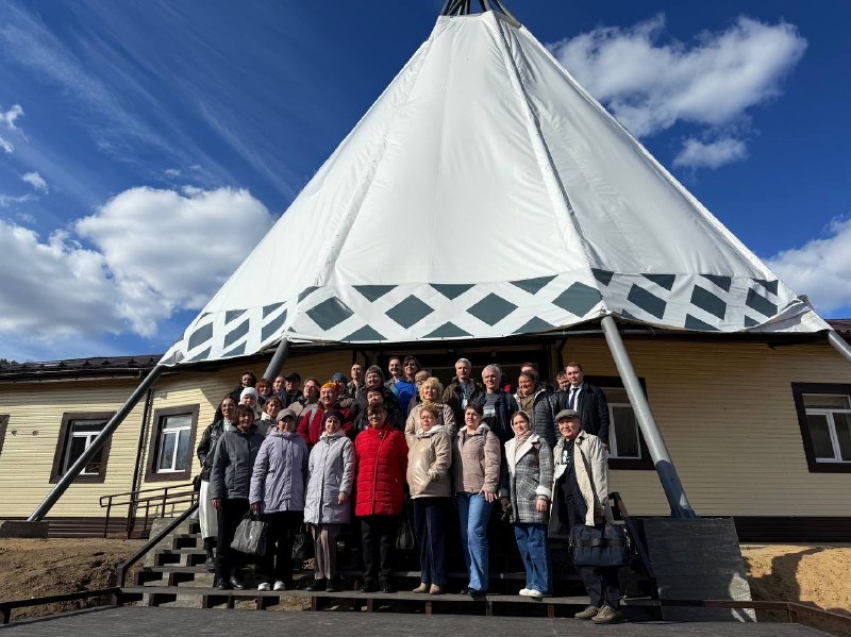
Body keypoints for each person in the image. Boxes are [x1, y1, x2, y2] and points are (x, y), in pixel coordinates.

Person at [550, 409, 624, 624]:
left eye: (569, 422)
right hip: (569, 505)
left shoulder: (591, 441)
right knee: (582, 554)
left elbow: (600, 473)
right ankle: (595, 601)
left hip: (589, 504)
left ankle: (612, 605)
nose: (565, 426)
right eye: (562, 423)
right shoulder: (559, 446)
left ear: (578, 422)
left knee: (601, 550)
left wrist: (600, 503)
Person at [249, 408, 308, 591]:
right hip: (270, 501)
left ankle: (282, 578)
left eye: (290, 420)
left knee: (286, 543)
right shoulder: (269, 442)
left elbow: (306, 472)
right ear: (278, 422)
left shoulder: (301, 443)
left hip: (293, 502)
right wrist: (255, 496)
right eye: (284, 420)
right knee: (265, 541)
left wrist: (305, 498)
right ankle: (263, 578)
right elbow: (258, 471)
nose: (287, 423)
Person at [354, 402, 408, 593]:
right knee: (367, 542)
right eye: (371, 414)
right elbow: (355, 467)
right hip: (366, 497)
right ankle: (369, 579)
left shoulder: (396, 436)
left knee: (386, 541)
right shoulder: (360, 438)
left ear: (386, 414)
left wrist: (402, 488)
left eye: (379, 413)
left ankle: (386, 579)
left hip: (389, 496)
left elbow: (403, 464)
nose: (375, 417)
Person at [209, 404, 264, 590]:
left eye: (249, 416)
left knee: (241, 541)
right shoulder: (226, 438)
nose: (246, 419)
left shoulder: (259, 440)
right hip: (229, 495)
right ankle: (221, 577)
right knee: (225, 539)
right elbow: (216, 468)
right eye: (242, 416)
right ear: (236, 418)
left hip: (249, 498)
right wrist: (216, 493)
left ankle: (235, 575)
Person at [500, 410, 553, 598]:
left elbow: (547, 471)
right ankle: (531, 582)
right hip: (515, 503)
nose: (519, 426)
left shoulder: (539, 443)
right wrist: (504, 495)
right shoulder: (509, 445)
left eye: (522, 422)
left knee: (537, 543)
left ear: (529, 423)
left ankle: (542, 585)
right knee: (523, 545)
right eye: (515, 423)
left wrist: (542, 496)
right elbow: (505, 474)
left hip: (532, 499)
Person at [303, 410, 355, 592]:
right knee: (316, 539)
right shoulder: (317, 446)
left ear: (340, 424)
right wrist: (308, 495)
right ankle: (319, 576)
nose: (331, 424)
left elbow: (348, 469)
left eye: (335, 421)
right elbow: (310, 473)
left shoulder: (345, 443)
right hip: (314, 499)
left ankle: (332, 576)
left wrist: (344, 491)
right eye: (329, 421)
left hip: (332, 497)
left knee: (327, 537)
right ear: (324, 424)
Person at [453, 403, 501, 596]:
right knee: (466, 537)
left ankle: (479, 584)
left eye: (474, 414)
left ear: (480, 417)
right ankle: (473, 579)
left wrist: (490, 485)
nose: (470, 416)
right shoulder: (458, 437)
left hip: (481, 492)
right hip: (461, 492)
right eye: (467, 414)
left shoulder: (487, 436)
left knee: (475, 533)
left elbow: (493, 463)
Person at [405, 404, 452, 595]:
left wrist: (428, 478)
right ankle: (425, 578)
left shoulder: (440, 435)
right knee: (422, 538)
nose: (425, 420)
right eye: (422, 417)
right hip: (417, 494)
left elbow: (443, 460)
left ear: (436, 420)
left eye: (429, 417)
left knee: (435, 539)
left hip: (434, 493)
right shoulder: (416, 439)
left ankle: (438, 579)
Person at [196, 395, 237, 571]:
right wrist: (207, 462)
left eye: (231, 405)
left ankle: (225, 553)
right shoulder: (213, 428)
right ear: (221, 409)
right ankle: (208, 553)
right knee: (207, 513)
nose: (227, 408)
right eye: (225, 405)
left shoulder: (238, 428)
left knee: (224, 515)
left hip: (230, 477)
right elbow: (201, 450)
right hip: (209, 475)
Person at [558, 362, 610, 446]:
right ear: (567, 376)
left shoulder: (594, 392)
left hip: (591, 440)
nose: (573, 376)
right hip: (570, 440)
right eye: (569, 373)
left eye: (576, 372)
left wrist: (603, 440)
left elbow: (604, 418)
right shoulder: (563, 396)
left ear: (582, 373)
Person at [472, 364, 518, 443]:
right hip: (483, 443)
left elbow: (517, 421)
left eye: (493, 376)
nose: (490, 379)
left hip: (505, 444)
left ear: (499, 379)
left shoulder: (509, 399)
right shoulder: (477, 401)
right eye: (486, 377)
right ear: (483, 380)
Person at [297, 382, 352, 447]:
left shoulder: (345, 413)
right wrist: (310, 445)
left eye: (329, 392)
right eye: (323, 393)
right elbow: (300, 430)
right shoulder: (312, 413)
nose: (326, 395)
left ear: (337, 395)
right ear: (320, 396)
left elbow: (346, 431)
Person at [514, 370, 558, 447]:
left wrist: (559, 442)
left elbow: (554, 420)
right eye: (521, 382)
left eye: (527, 381)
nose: (523, 384)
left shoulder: (545, 397)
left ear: (534, 382)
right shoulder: (514, 400)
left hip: (544, 443)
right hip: (522, 445)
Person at [353, 366, 402, 431]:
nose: (372, 379)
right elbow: (353, 412)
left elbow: (396, 412)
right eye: (369, 377)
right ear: (366, 380)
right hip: (364, 428)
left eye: (375, 376)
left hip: (386, 428)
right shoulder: (361, 394)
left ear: (381, 378)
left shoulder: (389, 394)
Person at [443, 357, 484, 424]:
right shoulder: (449, 389)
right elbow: (445, 406)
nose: (462, 370)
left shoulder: (477, 387)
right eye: (460, 368)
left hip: (473, 421)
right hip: (455, 422)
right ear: (456, 371)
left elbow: (480, 404)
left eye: (465, 368)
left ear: (470, 370)